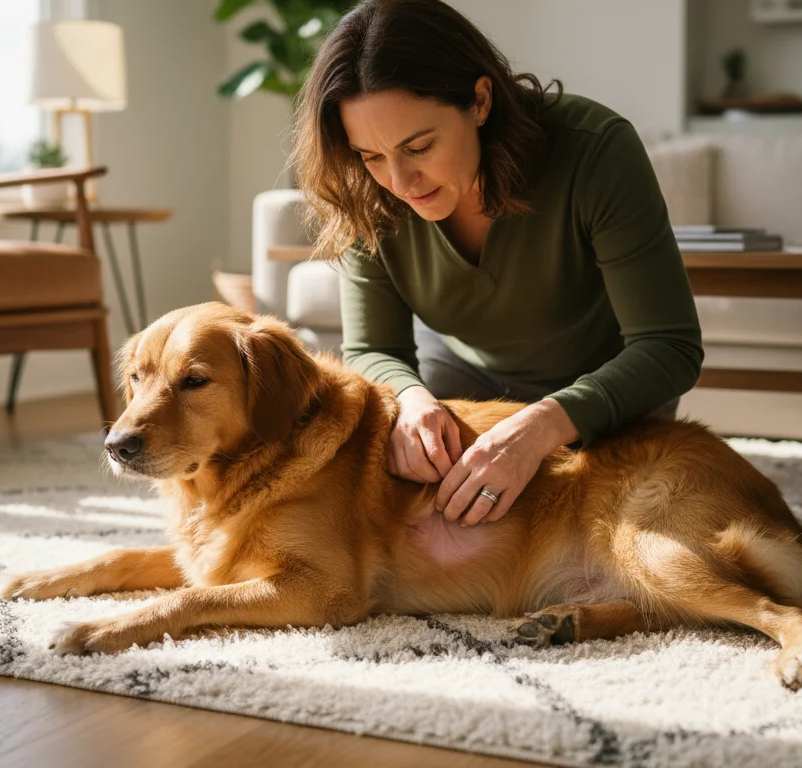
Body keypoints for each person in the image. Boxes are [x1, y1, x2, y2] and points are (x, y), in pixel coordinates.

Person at [289, 0, 704, 528]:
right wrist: (412, 402)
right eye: (371, 156)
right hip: (463, 384)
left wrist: (537, 429)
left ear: (480, 100)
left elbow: (670, 348)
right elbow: (374, 349)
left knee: (623, 519)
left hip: (610, 398)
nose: (399, 181)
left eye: (418, 146)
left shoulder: (595, 151)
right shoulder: (367, 193)